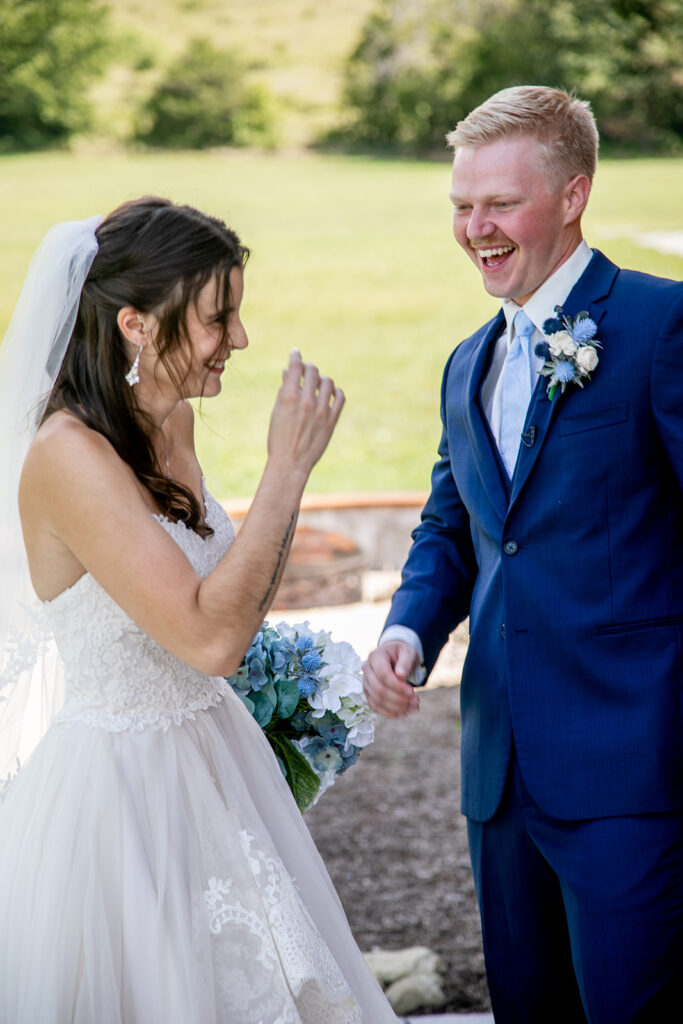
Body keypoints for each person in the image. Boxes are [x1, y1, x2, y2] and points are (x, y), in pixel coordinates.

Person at [0, 196, 398, 1023]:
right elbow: (211, 635)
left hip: (213, 756)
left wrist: (285, 486)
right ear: (137, 325)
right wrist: (286, 471)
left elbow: (234, 595)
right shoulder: (67, 456)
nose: (239, 340)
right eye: (220, 318)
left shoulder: (169, 422)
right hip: (121, 798)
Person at [363, 86, 683, 1022]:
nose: (474, 228)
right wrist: (408, 631)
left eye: (499, 203)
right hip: (498, 780)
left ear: (574, 193)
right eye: (461, 206)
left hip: (635, 772)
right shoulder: (467, 363)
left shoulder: (662, 327)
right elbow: (452, 528)